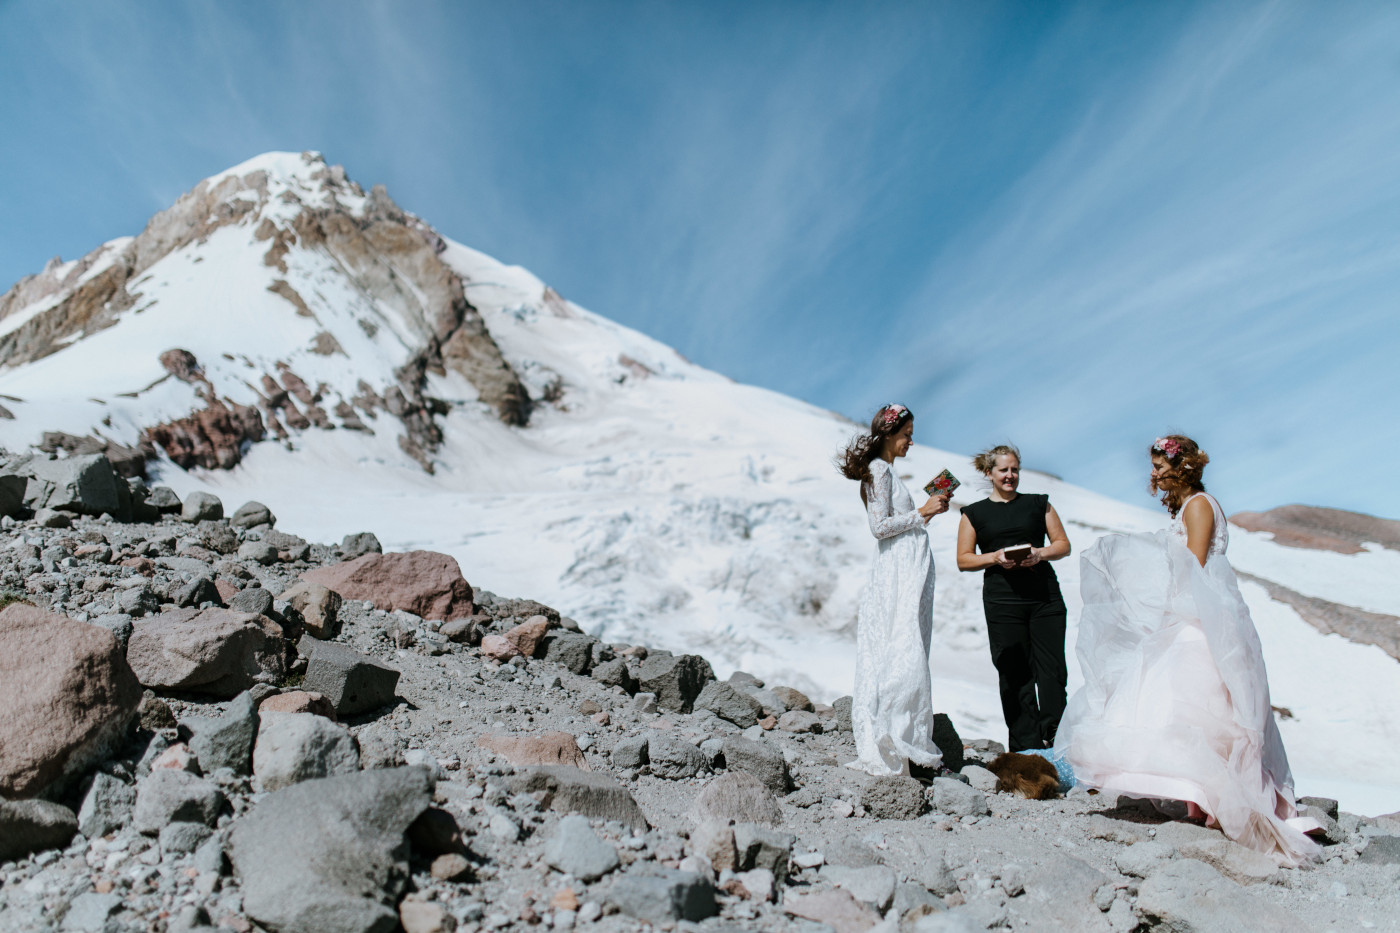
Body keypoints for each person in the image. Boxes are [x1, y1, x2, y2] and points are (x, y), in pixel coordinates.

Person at [1053, 435, 1319, 864]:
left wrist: (1165, 610)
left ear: (1183, 467)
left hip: (1200, 620)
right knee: (1189, 709)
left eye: (1160, 466)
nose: (1154, 474)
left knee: (1194, 707)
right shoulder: (1191, 506)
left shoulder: (1197, 505)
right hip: (1195, 615)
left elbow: (1194, 566)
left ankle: (1213, 801)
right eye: (1154, 466)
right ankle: (1199, 800)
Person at [836, 403, 951, 775]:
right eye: (906, 435)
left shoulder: (886, 471)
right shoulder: (879, 470)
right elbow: (879, 527)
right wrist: (923, 511)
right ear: (889, 434)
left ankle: (903, 736)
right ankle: (893, 737)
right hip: (897, 571)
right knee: (901, 646)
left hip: (906, 567)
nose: (911, 442)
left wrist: (928, 511)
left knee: (906, 644)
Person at [956, 444, 1072, 752]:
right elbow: (964, 560)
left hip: (1045, 598)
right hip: (1002, 602)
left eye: (1014, 470)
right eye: (1003, 470)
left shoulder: (1039, 504)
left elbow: (1062, 544)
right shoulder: (974, 513)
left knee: (1052, 673)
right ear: (989, 473)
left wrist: (1040, 553)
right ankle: (1025, 752)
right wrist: (994, 557)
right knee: (1013, 675)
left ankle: (1057, 745)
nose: (1010, 476)